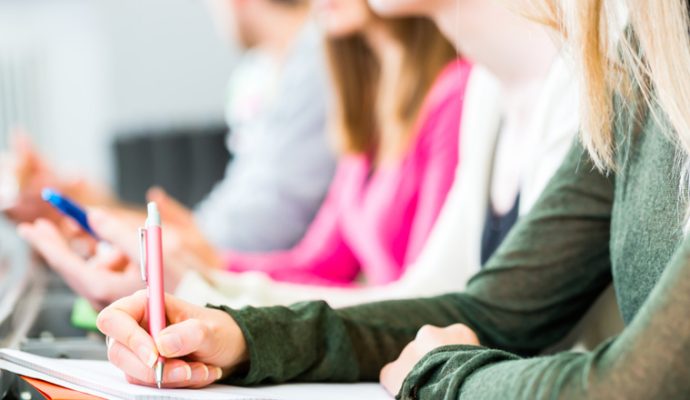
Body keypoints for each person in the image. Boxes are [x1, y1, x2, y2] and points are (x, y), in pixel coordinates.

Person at [96, 0, 690, 398]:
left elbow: (637, 384)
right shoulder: (645, 53)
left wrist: (446, 375)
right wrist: (241, 335)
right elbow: (491, 310)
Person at [19, 0, 466, 300]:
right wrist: (208, 264)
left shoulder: (454, 95)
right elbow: (319, 262)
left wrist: (205, 275)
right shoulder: (367, 111)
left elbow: (426, 300)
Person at [6, 0, 335, 252]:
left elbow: (257, 229)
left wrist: (102, 218)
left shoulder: (317, 64)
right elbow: (223, 222)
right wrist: (93, 208)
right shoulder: (260, 72)